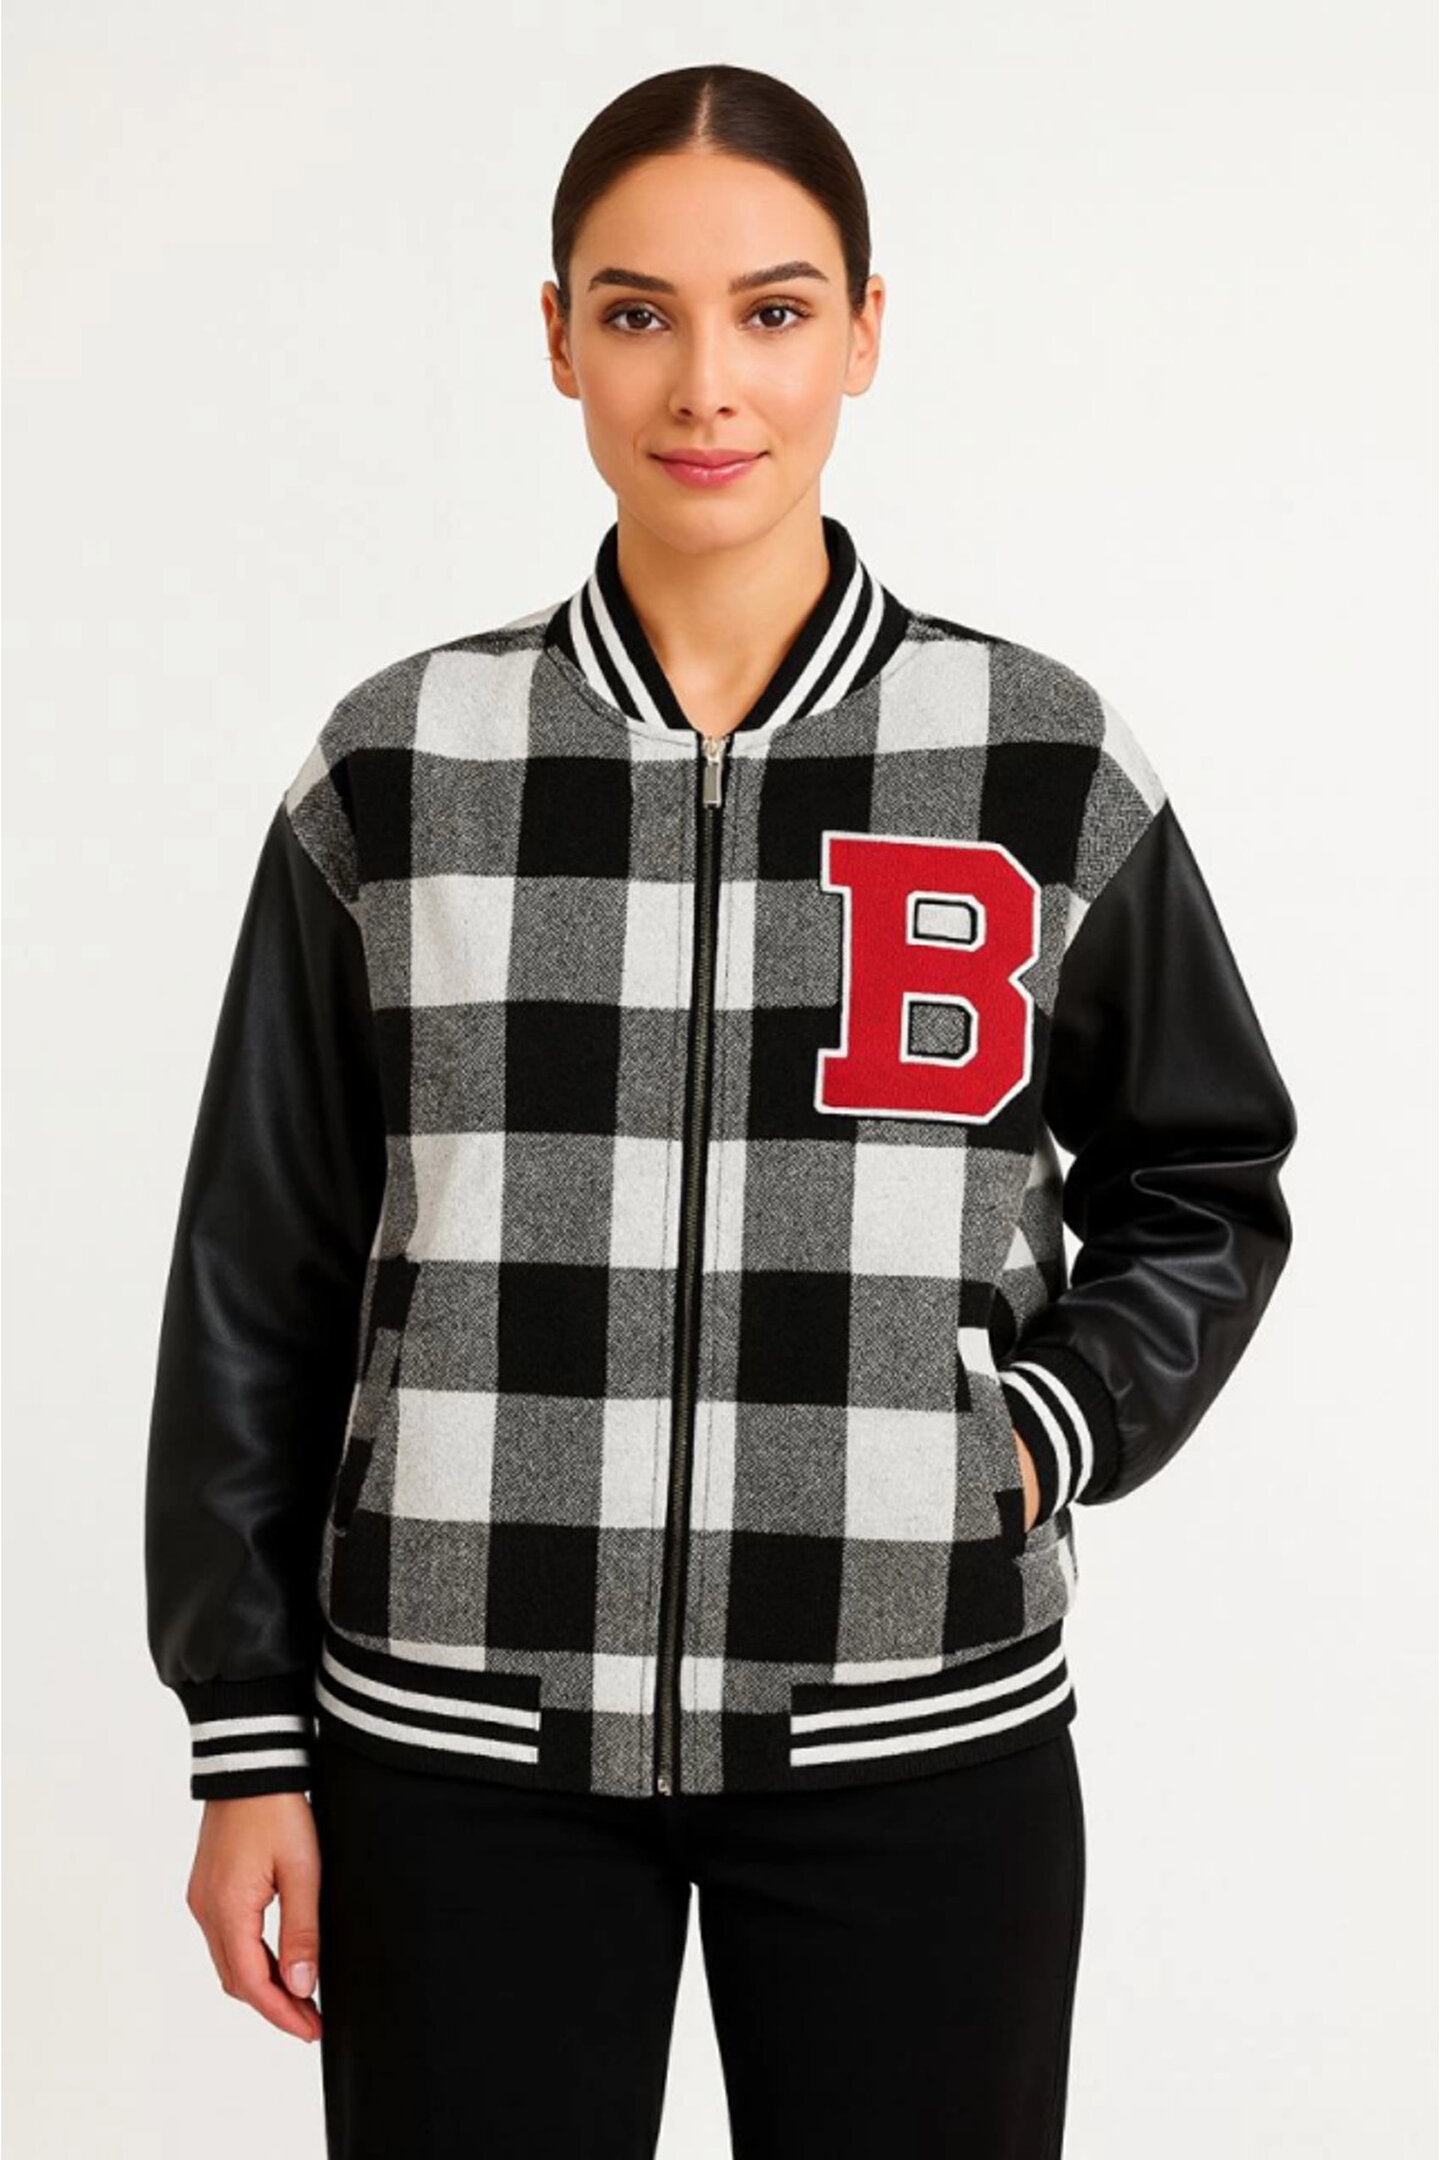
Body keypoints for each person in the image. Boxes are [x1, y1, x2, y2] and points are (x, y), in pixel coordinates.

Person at [143, 61, 1299, 2160]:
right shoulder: (400, 766)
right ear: (557, 336)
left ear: (864, 330)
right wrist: (244, 1739)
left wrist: (1031, 1435)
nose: (705, 383)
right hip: (456, 1741)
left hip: (914, 1732)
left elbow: (1207, 1178)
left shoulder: (1035, 760)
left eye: (773, 310)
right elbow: (263, 1257)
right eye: (637, 311)